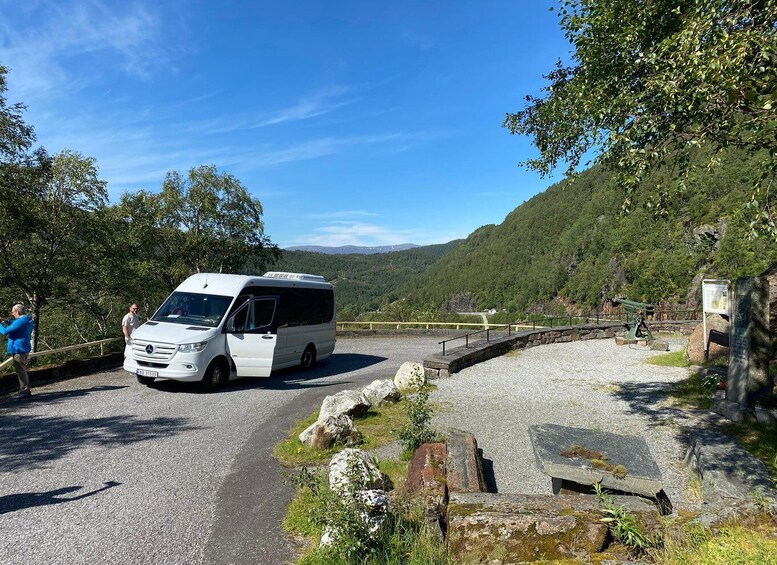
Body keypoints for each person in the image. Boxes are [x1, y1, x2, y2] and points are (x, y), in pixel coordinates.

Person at [0, 303, 34, 399]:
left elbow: (5, 331)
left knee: (20, 370)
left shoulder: (20, 321)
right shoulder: (28, 320)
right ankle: (25, 389)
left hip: (18, 348)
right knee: (22, 369)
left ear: (17, 312)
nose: (12, 313)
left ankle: (24, 390)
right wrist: (6, 321)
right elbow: (17, 325)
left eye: (12, 312)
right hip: (24, 347)